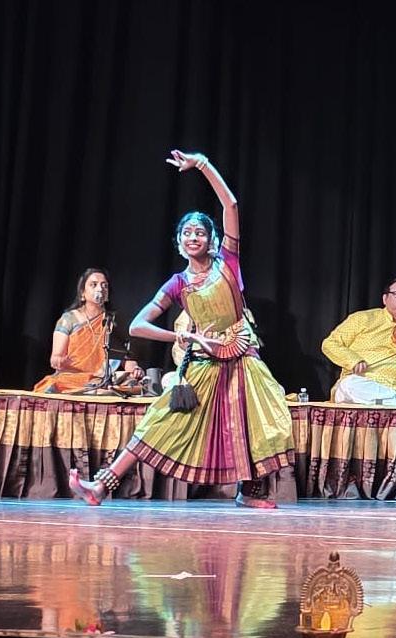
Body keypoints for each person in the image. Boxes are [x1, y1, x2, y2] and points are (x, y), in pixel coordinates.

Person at [68, 149, 294, 508]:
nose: (193, 237)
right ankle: (100, 486)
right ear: (178, 242)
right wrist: (180, 336)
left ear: (212, 240)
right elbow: (138, 325)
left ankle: (249, 492)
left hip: (243, 358)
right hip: (204, 364)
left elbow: (231, 205)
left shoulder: (228, 263)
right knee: (160, 420)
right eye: (186, 233)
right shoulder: (177, 283)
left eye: (200, 232)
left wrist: (201, 163)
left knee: (260, 421)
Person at [320, 278, 396, 405]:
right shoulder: (362, 318)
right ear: (385, 299)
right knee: (349, 384)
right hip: (362, 384)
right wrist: (354, 360)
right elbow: (330, 344)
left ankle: (394, 400)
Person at [34, 268, 144, 394]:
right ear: (82, 293)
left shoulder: (113, 321)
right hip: (72, 378)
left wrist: (135, 369)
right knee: (54, 385)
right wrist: (61, 361)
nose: (100, 289)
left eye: (104, 286)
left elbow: (125, 356)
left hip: (101, 379)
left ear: (107, 295)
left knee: (135, 385)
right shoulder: (68, 319)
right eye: (94, 285)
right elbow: (56, 358)